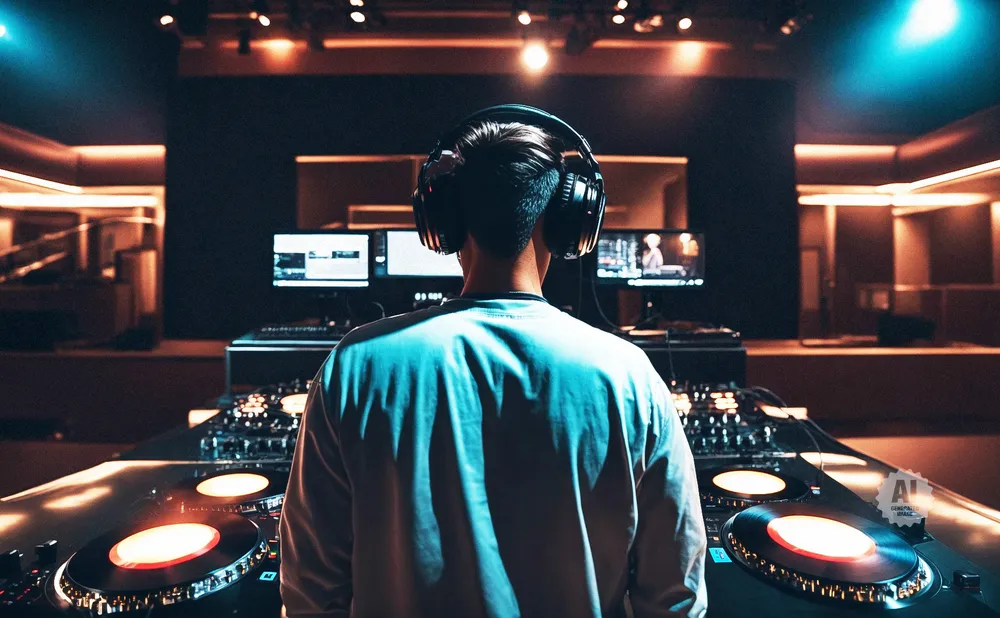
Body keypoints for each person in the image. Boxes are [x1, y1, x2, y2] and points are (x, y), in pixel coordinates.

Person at [280, 108, 707, 618]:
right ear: (570, 224)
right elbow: (675, 596)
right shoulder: (630, 377)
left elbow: (309, 591)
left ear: (445, 224)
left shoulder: (355, 367)